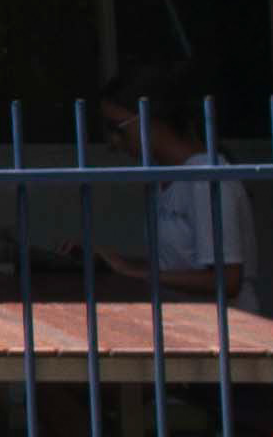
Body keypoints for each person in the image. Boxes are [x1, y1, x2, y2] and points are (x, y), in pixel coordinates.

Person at [69, 69, 258, 301]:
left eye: (117, 128)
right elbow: (174, 266)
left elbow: (227, 281)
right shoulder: (165, 179)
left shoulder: (204, 177)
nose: (113, 142)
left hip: (224, 330)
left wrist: (135, 272)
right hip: (186, 325)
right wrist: (117, 262)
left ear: (152, 117)